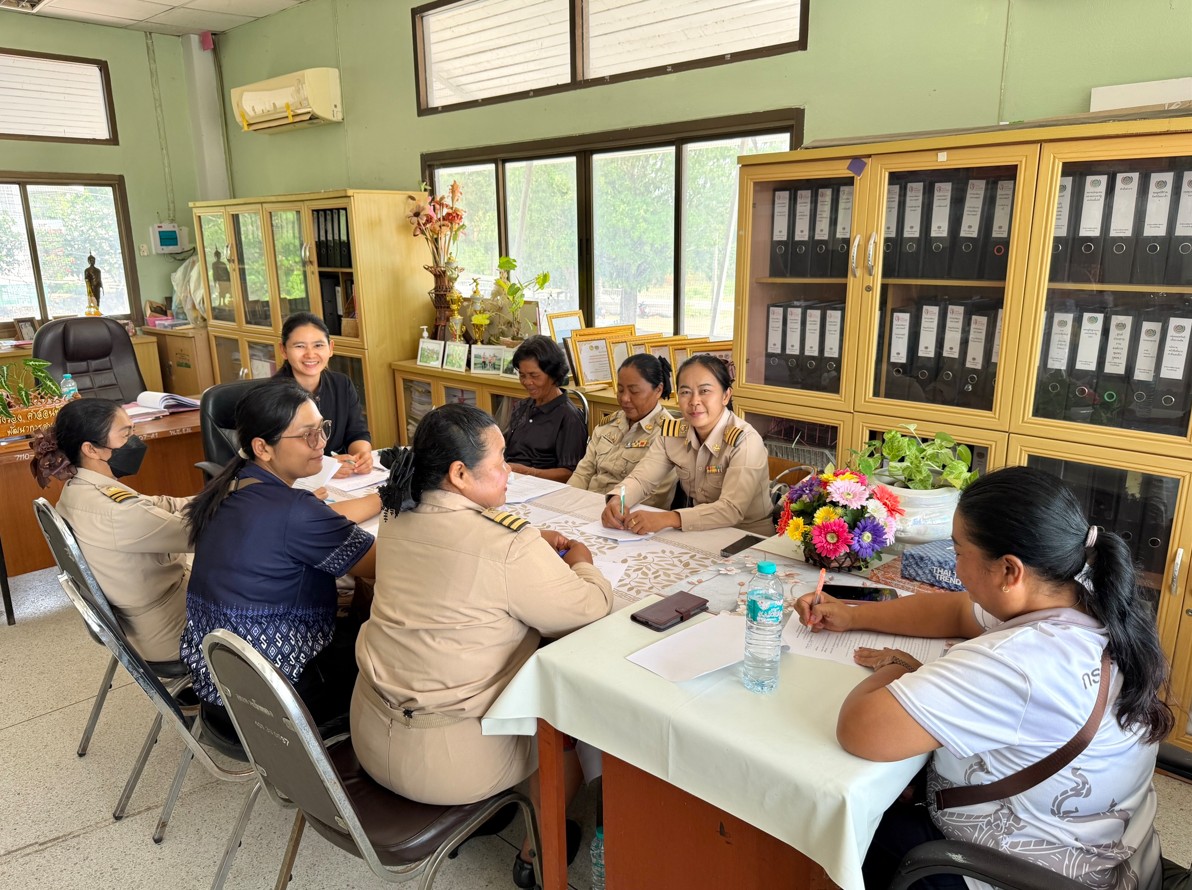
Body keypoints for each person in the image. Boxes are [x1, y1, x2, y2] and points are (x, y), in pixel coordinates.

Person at [796, 466, 1171, 890]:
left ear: (1009, 571)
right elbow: (959, 611)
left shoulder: (1020, 663)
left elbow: (860, 729)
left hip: (1016, 874)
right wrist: (853, 615)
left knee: (829, 817)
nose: (955, 566)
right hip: (1110, 852)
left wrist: (897, 666)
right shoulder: (1086, 597)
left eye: (959, 551)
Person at [351, 403, 612, 888]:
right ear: (459, 473)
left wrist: (526, 546)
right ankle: (537, 853)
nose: (509, 470)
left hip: (369, 734)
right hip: (447, 766)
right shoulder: (507, 544)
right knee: (567, 718)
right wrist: (582, 559)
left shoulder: (396, 514)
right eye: (500, 460)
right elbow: (589, 608)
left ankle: (491, 811)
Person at [181, 380, 380, 734]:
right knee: (388, 646)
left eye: (322, 429)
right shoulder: (295, 511)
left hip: (222, 694)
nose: (321, 443)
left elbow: (313, 520)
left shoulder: (232, 486)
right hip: (278, 709)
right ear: (263, 447)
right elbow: (382, 566)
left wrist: (384, 497)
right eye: (306, 435)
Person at [33, 399, 189, 663]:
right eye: (126, 434)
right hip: (170, 629)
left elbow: (160, 505)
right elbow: (202, 534)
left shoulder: (80, 488)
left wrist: (221, 494)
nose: (135, 441)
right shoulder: (116, 511)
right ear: (91, 449)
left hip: (141, 619)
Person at [600, 354, 771, 536]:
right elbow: (641, 480)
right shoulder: (673, 433)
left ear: (725, 396)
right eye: (685, 392)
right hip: (698, 530)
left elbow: (731, 509)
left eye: (704, 391)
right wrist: (618, 500)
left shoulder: (745, 441)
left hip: (748, 536)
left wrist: (668, 518)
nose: (694, 401)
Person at [568, 353, 678, 509]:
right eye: (620, 390)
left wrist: (600, 510)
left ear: (658, 390)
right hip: (586, 506)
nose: (625, 398)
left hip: (628, 513)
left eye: (634, 391)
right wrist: (567, 502)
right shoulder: (609, 424)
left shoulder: (667, 434)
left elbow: (653, 498)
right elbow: (582, 473)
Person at [274, 311, 373, 479]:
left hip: (344, 481)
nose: (310, 354)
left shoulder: (342, 384)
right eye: (300, 346)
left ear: (331, 348)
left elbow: (357, 433)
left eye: (318, 345)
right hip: (294, 482)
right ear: (283, 350)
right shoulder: (272, 394)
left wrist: (362, 456)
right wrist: (325, 467)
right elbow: (275, 455)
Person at [503, 334, 587, 482]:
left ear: (553, 374)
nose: (527, 382)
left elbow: (571, 473)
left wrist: (529, 472)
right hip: (511, 480)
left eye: (534, 375)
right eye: (522, 375)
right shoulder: (521, 407)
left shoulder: (569, 417)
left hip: (544, 487)